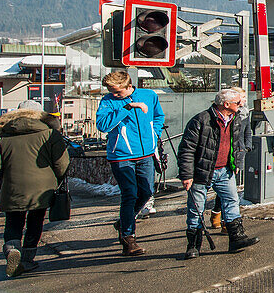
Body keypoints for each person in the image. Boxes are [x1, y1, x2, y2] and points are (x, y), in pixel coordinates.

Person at [0, 100, 69, 277]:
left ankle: (12, 250)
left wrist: (8, 175)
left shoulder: (1, 136)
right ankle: (27, 259)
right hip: (42, 187)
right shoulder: (50, 134)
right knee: (35, 221)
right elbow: (62, 164)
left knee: (13, 222)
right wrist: (56, 178)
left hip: (12, 187)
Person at [178, 87, 258, 258]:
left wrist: (236, 161)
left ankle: (237, 238)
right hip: (202, 171)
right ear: (226, 104)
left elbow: (236, 143)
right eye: (238, 102)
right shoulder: (201, 120)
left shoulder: (235, 119)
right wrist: (186, 175)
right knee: (196, 208)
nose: (241, 104)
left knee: (231, 202)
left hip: (225, 170)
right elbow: (186, 149)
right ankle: (193, 246)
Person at [96, 71, 164, 256]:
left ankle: (124, 220)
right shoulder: (108, 101)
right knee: (130, 195)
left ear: (129, 86)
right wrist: (125, 107)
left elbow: (158, 116)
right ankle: (128, 238)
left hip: (146, 154)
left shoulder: (149, 95)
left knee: (147, 192)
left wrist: (155, 133)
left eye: (117, 92)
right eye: (111, 91)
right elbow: (102, 126)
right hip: (121, 155)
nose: (114, 95)